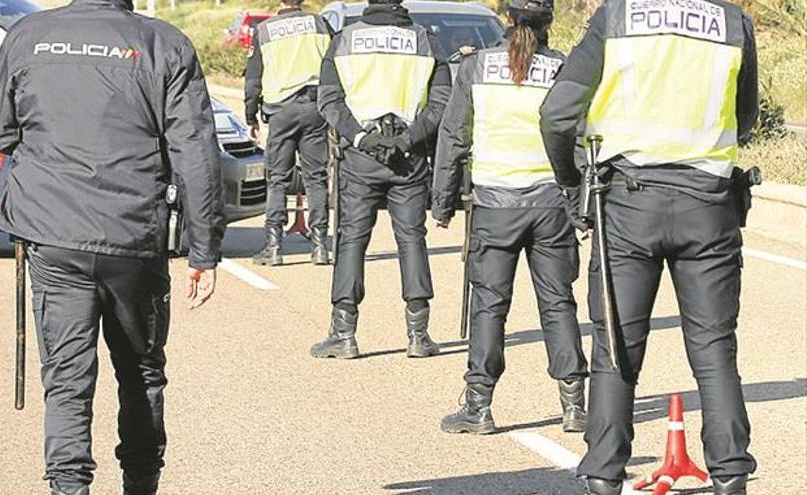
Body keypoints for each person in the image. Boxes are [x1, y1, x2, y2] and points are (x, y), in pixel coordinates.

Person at [0, 0, 225, 493]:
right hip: (132, 236)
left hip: (52, 233)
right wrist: (204, 252)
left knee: (68, 381)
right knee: (140, 373)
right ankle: (141, 484)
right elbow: (196, 152)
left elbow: (0, 132)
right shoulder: (164, 43)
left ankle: (68, 487)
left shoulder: (28, 35)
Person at [539, 0, 759, 491]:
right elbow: (745, 119)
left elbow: (556, 113)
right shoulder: (732, 21)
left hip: (627, 204)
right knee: (714, 349)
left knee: (615, 348)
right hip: (710, 203)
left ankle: (604, 475)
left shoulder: (615, 15)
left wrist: (571, 181)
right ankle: (730, 478)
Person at [432, 0, 589, 436]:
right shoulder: (561, 69)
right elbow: (577, 138)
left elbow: (454, 135)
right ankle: (575, 406)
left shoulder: (476, 66)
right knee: (558, 303)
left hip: (494, 207)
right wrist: (581, 206)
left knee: (489, 305)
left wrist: (442, 202)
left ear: (506, 19)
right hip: (550, 206)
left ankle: (478, 407)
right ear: (550, 22)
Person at [310, 0, 450, 359]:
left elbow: (329, 100)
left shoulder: (344, 39)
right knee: (412, 240)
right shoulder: (425, 40)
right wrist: (408, 138)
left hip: (361, 157)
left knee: (351, 240)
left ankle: (344, 334)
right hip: (410, 157)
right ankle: (418, 335)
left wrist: (361, 137)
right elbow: (441, 102)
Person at [245, 0, 332, 266]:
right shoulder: (320, 23)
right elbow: (334, 65)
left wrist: (251, 116)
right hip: (315, 108)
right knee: (316, 178)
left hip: (281, 111)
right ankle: (319, 247)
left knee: (277, 180)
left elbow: (253, 78)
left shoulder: (266, 29)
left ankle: (273, 247)